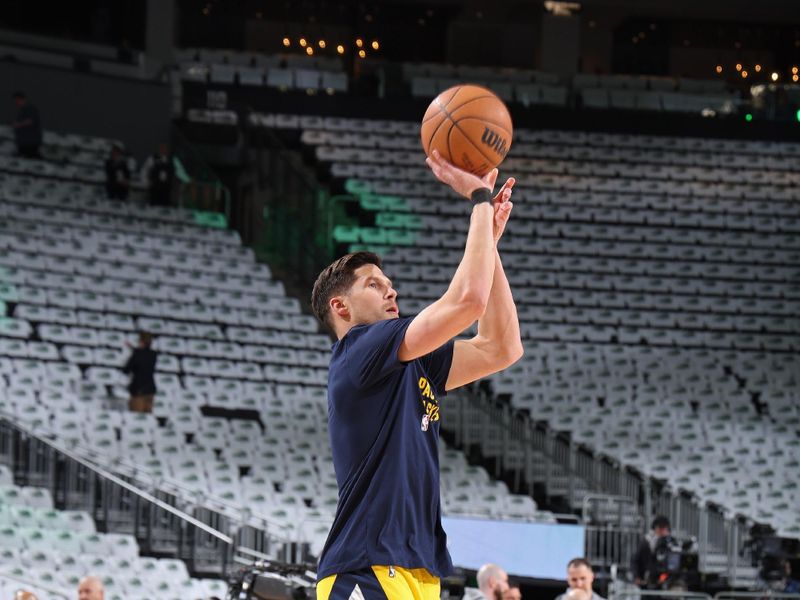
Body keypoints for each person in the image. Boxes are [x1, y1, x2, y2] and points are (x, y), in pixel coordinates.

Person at [312, 149, 522, 600]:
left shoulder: (412, 362)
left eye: (390, 284)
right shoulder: (359, 350)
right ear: (340, 306)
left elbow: (500, 348)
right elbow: (467, 301)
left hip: (418, 572)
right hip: (365, 568)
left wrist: (491, 244)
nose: (392, 290)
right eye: (374, 284)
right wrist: (479, 201)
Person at [631, 516, 672, 587]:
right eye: (660, 528)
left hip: (663, 582)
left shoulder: (670, 543)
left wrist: (662, 579)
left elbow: (671, 567)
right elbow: (635, 560)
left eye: (664, 529)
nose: (662, 531)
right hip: (646, 581)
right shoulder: (645, 542)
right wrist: (636, 576)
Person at [123, 331, 157, 413]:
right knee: (147, 418)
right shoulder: (153, 354)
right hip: (150, 390)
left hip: (138, 390)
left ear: (141, 341)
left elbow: (126, 370)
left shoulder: (137, 354)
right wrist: (134, 349)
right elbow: (144, 354)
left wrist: (133, 352)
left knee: (137, 418)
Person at [11, 91, 42, 159]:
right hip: (24, 142)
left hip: (29, 142)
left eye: (17, 100)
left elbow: (30, 121)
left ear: (22, 99)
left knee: (31, 159)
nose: (16, 103)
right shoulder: (23, 110)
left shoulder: (29, 108)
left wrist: (18, 124)